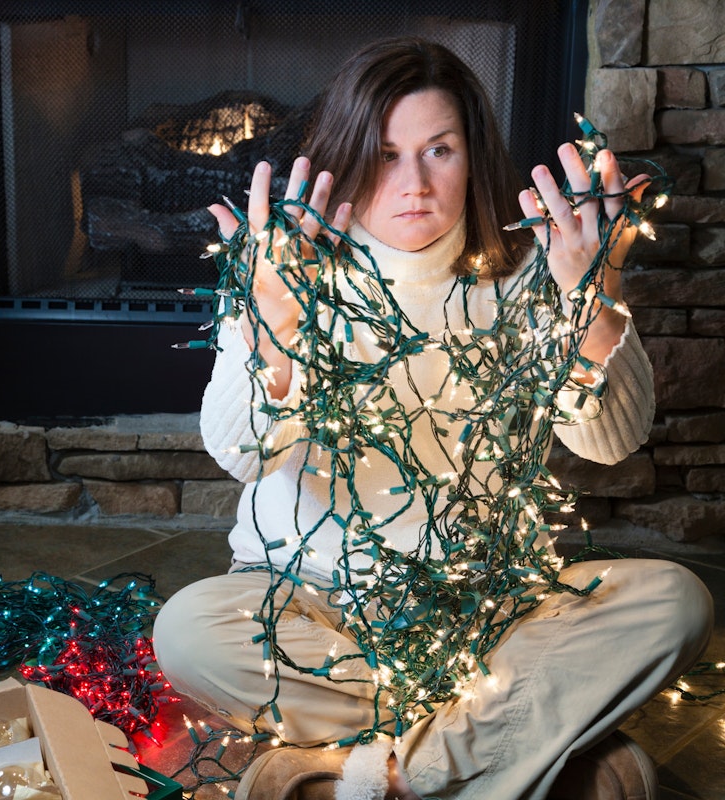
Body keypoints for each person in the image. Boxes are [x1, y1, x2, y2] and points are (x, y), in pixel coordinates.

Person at [152, 37, 713, 800]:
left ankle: (372, 776)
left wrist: (593, 298)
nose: (413, 183)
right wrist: (274, 336)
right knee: (188, 632)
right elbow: (240, 453)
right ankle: (533, 746)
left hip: (492, 608)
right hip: (312, 601)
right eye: (385, 154)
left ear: (473, 154)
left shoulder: (535, 271)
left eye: (439, 150)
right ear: (346, 157)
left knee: (675, 603)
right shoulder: (284, 268)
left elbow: (609, 442)